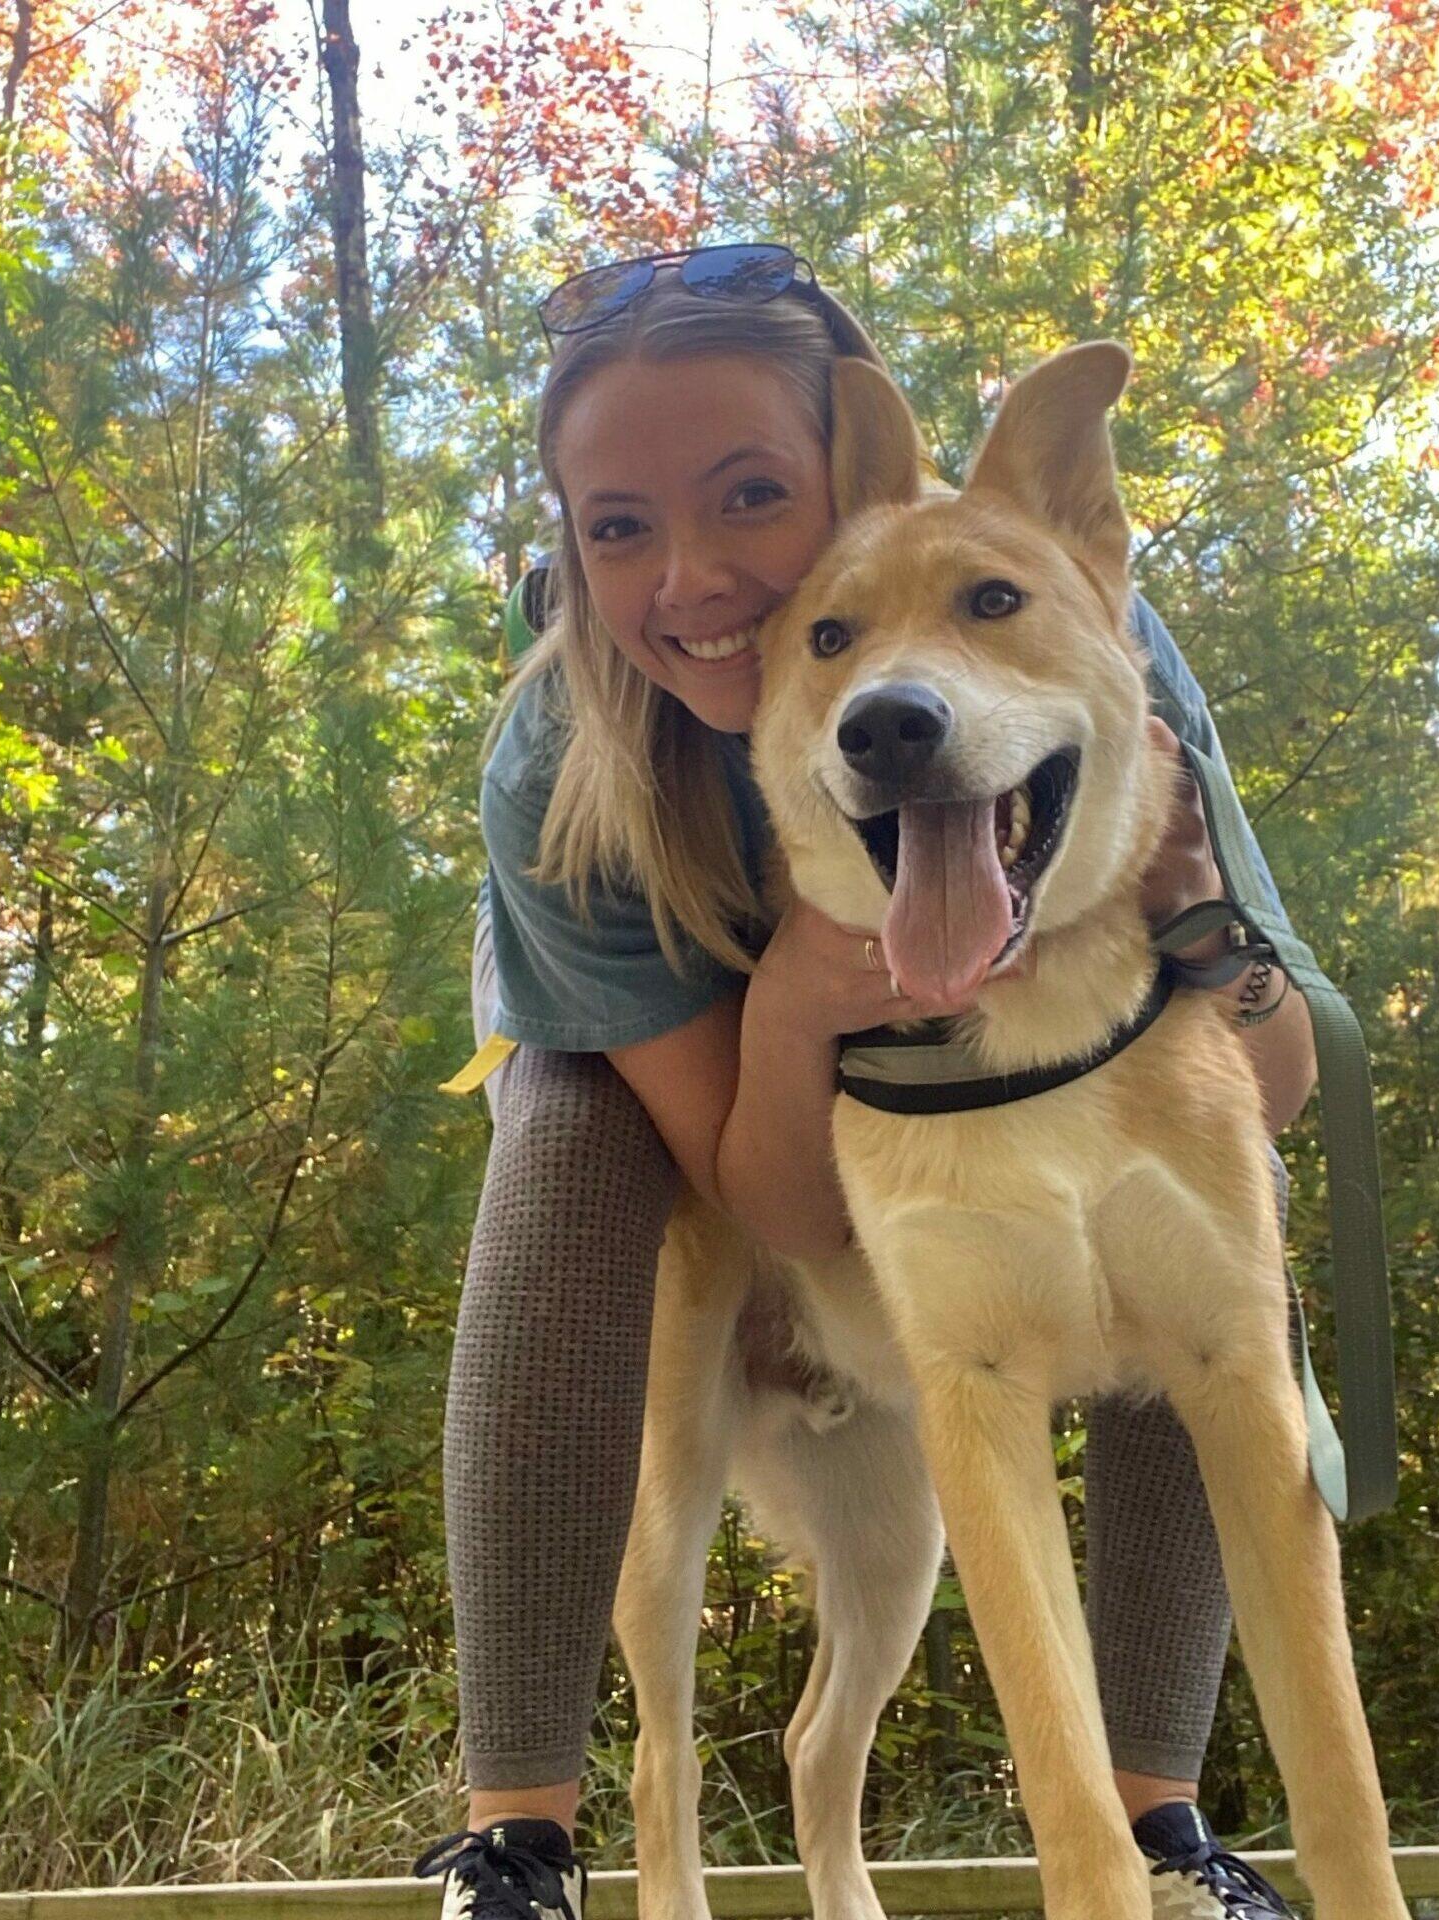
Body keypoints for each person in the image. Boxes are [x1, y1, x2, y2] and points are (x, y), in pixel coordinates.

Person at [412, 246, 1319, 1920]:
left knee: (1200, 1192)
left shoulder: (1046, 613)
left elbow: (1273, 1075)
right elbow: (771, 1195)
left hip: (1005, 1137)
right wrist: (805, 1001)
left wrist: (1187, 902)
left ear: (863, 476)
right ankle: (520, 1837)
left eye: (750, 496)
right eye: (616, 527)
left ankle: (1158, 1834)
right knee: (564, 1129)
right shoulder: (563, 758)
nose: (689, 579)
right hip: (733, 1121)